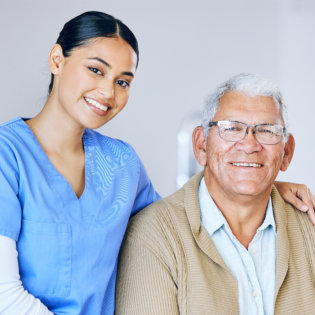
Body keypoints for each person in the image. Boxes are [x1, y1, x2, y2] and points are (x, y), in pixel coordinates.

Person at [0, 12, 312, 315]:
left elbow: (182, 218)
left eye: (123, 82)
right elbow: (4, 296)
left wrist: (257, 185)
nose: (108, 91)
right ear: (57, 60)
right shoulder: (8, 156)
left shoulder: (121, 163)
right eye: (96, 70)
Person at [116, 73, 315, 314]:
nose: (250, 145)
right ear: (202, 146)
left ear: (286, 153)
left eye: (267, 131)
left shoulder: (309, 226)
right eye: (231, 128)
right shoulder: (153, 234)